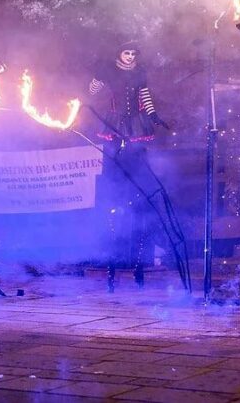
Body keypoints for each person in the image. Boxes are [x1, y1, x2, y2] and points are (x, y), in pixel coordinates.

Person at [89, 40, 170, 292]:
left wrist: (154, 115)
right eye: (126, 52)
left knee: (136, 155)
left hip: (135, 122)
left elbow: (144, 96)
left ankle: (135, 186)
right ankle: (115, 186)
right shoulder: (110, 70)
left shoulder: (139, 72)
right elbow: (93, 91)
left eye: (133, 53)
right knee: (114, 155)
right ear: (118, 53)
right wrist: (97, 77)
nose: (130, 56)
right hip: (115, 120)